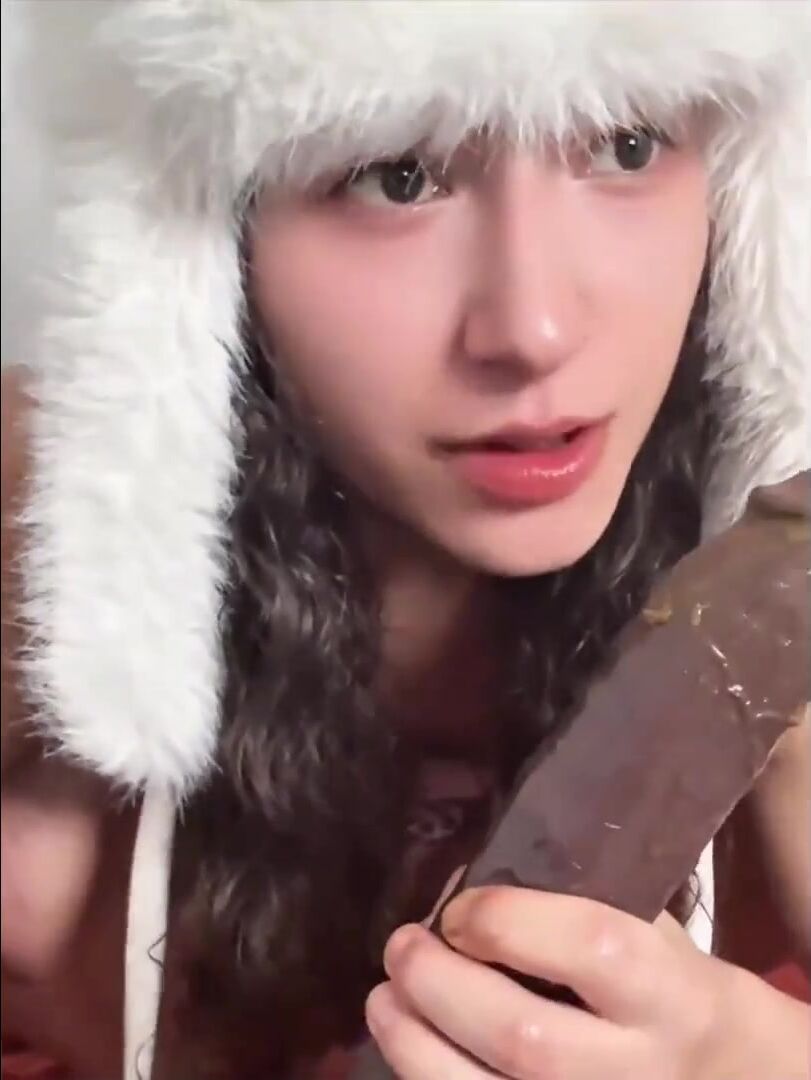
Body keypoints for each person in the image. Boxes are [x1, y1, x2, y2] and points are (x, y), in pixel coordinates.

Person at [1, 2, 809, 1078]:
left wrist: (752, 1060)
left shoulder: (783, 666)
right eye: (395, 175)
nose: (533, 331)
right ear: (197, 243)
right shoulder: (44, 754)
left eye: (626, 144)